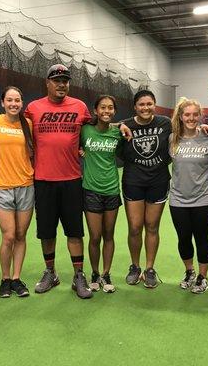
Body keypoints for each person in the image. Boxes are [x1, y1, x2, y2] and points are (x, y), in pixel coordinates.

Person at [24, 64, 93, 299]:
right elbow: (13, 124)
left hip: (72, 180)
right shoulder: (33, 108)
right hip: (43, 180)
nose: (61, 84)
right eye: (56, 80)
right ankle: (51, 273)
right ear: (47, 83)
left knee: (75, 231)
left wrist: (121, 125)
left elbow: (96, 129)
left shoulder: (80, 107)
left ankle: (78, 275)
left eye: (65, 80)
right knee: (47, 231)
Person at [0, 86, 34, 298]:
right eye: (9, 100)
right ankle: (5, 278)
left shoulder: (28, 124)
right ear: (2, 102)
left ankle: (16, 278)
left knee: (21, 235)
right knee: (9, 236)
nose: (14, 104)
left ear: (22, 103)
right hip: (2, 186)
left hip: (26, 185)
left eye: (17, 100)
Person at [120, 90, 171, 289]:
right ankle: (135, 266)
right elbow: (105, 125)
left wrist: (203, 126)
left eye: (149, 104)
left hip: (158, 182)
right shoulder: (125, 125)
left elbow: (186, 127)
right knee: (134, 227)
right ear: (135, 107)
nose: (145, 108)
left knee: (152, 226)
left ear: (155, 104)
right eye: (141, 104)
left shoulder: (165, 123)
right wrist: (120, 125)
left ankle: (149, 269)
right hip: (133, 181)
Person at [168, 98, 208, 294]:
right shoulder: (172, 139)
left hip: (204, 198)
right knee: (183, 238)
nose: (191, 118)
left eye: (195, 114)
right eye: (187, 114)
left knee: (201, 237)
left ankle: (203, 277)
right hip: (178, 198)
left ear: (200, 116)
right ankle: (189, 272)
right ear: (180, 116)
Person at [80, 95, 123, 294]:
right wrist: (81, 150)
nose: (107, 111)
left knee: (108, 235)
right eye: (103, 108)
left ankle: (106, 273)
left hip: (112, 190)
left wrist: (122, 126)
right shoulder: (85, 130)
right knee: (95, 236)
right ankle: (95, 273)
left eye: (110, 108)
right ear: (95, 110)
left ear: (114, 111)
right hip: (91, 190)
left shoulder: (118, 132)